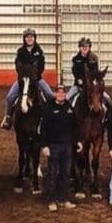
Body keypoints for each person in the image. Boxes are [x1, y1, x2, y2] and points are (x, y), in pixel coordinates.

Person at [1, 28, 55, 129]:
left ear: (34, 38)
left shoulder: (39, 51)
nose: (29, 39)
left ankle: (52, 116)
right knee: (10, 97)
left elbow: (42, 66)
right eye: (27, 37)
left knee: (50, 95)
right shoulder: (20, 51)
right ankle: (8, 117)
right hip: (23, 79)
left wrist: (34, 77)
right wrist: (23, 76)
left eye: (31, 37)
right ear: (24, 39)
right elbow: (17, 65)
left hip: (37, 79)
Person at [40, 84, 80, 212]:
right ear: (55, 94)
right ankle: (52, 200)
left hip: (67, 146)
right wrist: (44, 145)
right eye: (59, 92)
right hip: (53, 145)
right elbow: (43, 129)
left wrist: (77, 141)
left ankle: (64, 199)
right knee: (52, 173)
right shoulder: (48, 108)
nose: (61, 94)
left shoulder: (69, 107)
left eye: (63, 92)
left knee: (65, 173)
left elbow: (75, 126)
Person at [66, 37, 112, 107]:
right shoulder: (75, 59)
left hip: (91, 86)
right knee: (67, 98)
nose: (84, 48)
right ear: (79, 47)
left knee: (108, 98)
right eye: (82, 46)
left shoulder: (94, 58)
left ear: (89, 47)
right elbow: (74, 71)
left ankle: (109, 114)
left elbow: (95, 72)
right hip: (79, 85)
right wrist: (79, 79)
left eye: (86, 46)